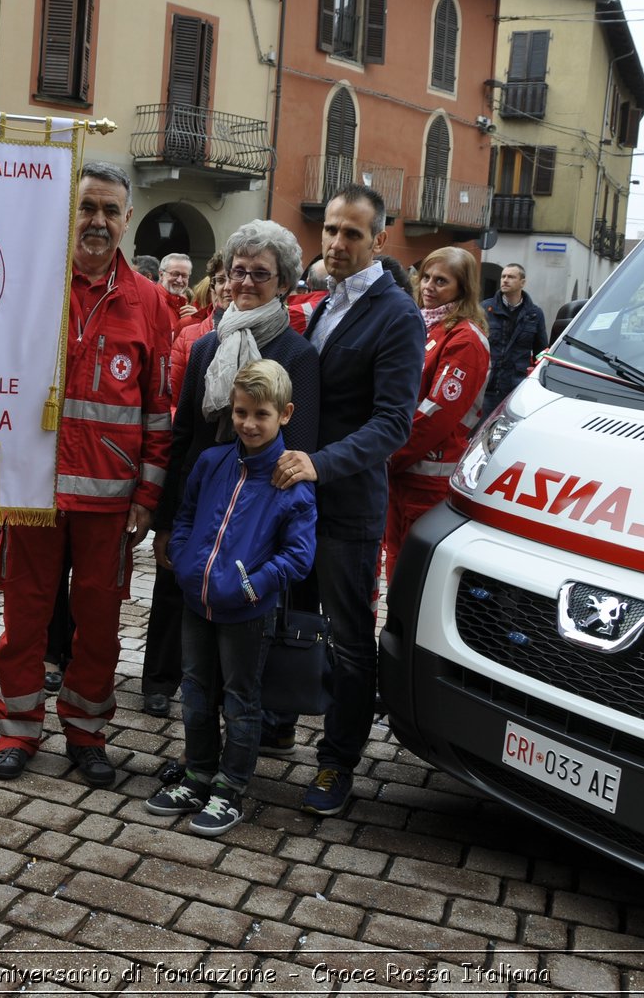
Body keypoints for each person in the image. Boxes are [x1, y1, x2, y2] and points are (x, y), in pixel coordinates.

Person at [0, 161, 173, 788]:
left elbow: (158, 408)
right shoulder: (25, 282)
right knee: (24, 620)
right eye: (86, 207)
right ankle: (17, 728)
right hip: (31, 489)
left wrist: (147, 496)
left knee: (98, 627)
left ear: (127, 219)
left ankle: (87, 732)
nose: (97, 221)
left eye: (109, 211)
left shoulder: (150, 303)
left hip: (109, 501)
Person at [269, 184, 424, 816]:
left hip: (348, 502)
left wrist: (319, 464)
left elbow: (393, 423)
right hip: (297, 498)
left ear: (379, 240)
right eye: (330, 229)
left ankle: (337, 763)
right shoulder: (321, 302)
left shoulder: (397, 314)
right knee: (289, 614)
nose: (335, 243)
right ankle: (279, 718)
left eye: (351, 234)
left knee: (349, 638)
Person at [148, 221, 320, 720]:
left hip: (257, 511)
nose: (245, 283)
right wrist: (164, 521)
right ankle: (161, 680)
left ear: (284, 283)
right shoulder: (205, 346)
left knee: (242, 613)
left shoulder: (298, 355)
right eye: (238, 271)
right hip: (200, 499)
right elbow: (182, 441)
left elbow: (299, 448)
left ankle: (240, 709)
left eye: (259, 274)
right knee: (176, 587)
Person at [148, 359, 316, 835]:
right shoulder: (212, 461)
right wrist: (183, 560)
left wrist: (250, 585)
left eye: (261, 414)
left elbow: (298, 556)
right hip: (197, 602)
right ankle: (199, 773)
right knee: (196, 692)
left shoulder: (290, 481)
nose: (249, 423)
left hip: (246, 611)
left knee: (241, 700)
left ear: (284, 414)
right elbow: (186, 515)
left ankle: (230, 787)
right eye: (241, 412)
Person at [383, 247, 489, 585]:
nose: (428, 286)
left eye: (441, 281)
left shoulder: (465, 340)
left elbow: (435, 414)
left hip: (427, 477)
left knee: (413, 572)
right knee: (396, 560)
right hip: (403, 473)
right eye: (425, 277)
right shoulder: (428, 326)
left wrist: (388, 455)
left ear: (463, 288)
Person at [482, 263, 546, 417]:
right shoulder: (485, 309)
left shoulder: (534, 314)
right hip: (488, 386)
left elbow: (541, 353)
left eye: (511, 277)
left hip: (516, 387)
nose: (505, 280)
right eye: (503, 276)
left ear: (522, 283)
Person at [169, 255, 227, 392]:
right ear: (212, 287)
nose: (228, 287)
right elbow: (172, 395)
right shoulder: (188, 330)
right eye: (221, 280)